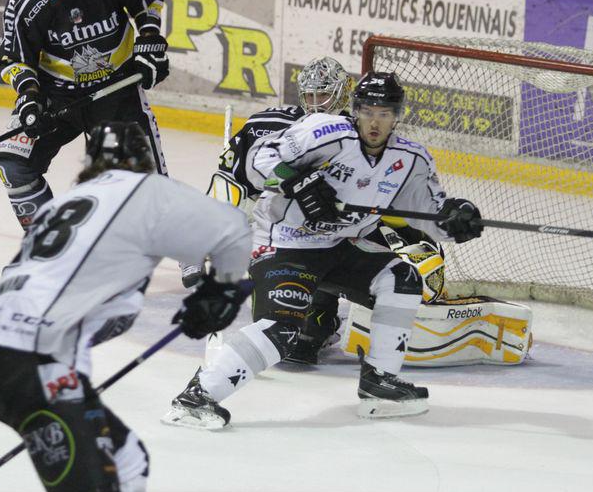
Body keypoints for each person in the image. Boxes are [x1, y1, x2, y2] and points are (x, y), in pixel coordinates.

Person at [0, 122, 252, 492]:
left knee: (128, 460)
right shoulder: (141, 190)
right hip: (37, 365)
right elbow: (233, 227)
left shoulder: (60, 207)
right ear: (142, 161)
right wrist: (221, 291)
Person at [162, 71, 483, 429]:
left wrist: (456, 220)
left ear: (397, 116)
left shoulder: (410, 159)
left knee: (402, 278)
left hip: (343, 246)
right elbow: (257, 159)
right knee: (283, 331)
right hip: (285, 242)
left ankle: (380, 382)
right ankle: (196, 398)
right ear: (356, 110)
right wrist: (296, 181)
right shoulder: (324, 132)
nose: (374, 122)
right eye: (368, 112)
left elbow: (429, 213)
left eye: (384, 114)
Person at [0, 0, 170, 229]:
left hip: (115, 93)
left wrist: (149, 43)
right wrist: (29, 97)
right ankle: (51, 244)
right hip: (58, 97)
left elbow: (149, 4)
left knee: (144, 188)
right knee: (14, 164)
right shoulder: (26, 0)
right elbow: (15, 59)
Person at [180, 56, 354, 363]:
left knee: (306, 338)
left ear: (341, 95)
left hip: (320, 233)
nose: (316, 104)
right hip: (269, 227)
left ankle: (324, 314)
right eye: (310, 95)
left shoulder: (356, 137)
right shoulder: (265, 125)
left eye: (324, 95)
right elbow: (229, 184)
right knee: (277, 330)